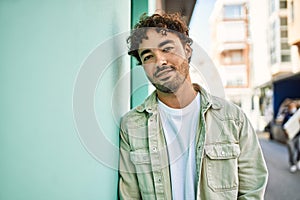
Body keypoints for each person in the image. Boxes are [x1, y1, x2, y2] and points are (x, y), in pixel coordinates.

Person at [119, 12, 268, 199]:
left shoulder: (233, 119)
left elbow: (252, 191)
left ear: (187, 50)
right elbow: (130, 196)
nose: (160, 61)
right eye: (148, 56)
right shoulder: (131, 126)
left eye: (166, 48)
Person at [282, 102, 300, 173]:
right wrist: (285, 131)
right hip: (290, 137)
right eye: (292, 107)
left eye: (294, 106)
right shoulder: (287, 116)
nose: (293, 108)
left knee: (299, 149)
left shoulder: (298, 115)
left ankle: (298, 160)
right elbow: (283, 126)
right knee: (291, 151)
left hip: (297, 135)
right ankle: (292, 164)